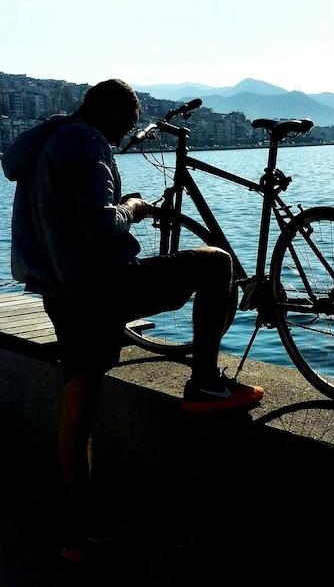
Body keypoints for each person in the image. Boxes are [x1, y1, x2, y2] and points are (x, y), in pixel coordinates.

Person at [1, 79, 264, 560]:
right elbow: (101, 225)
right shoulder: (86, 141)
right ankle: (205, 382)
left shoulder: (44, 141)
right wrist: (134, 208)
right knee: (216, 263)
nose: (126, 135)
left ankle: (82, 533)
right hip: (103, 286)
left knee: (77, 414)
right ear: (114, 114)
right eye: (126, 122)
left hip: (60, 295)